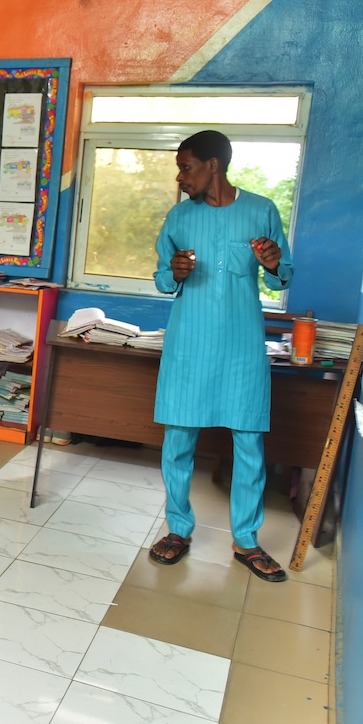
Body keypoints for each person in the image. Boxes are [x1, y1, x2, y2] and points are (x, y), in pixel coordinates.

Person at [149, 130, 293, 582]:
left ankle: (246, 541)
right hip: (189, 345)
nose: (181, 176)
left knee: (249, 442)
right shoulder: (179, 218)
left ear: (214, 165)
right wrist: (172, 272)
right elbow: (161, 278)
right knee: (178, 441)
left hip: (242, 347)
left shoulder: (261, 210)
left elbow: (281, 276)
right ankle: (178, 529)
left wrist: (272, 265)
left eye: (186, 167)